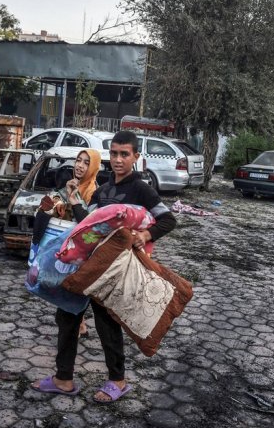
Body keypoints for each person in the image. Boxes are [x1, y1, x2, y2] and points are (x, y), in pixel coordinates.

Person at [32, 130, 177, 403]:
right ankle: (63, 379)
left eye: (125, 154)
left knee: (107, 323)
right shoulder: (104, 190)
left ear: (136, 156)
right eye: (114, 154)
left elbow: (168, 220)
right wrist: (75, 201)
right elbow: (88, 224)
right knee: (67, 315)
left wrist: (143, 236)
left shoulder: (140, 188)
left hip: (115, 270)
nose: (119, 159)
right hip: (89, 264)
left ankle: (117, 381)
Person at [30, 148, 102, 337]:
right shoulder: (69, 186)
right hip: (66, 247)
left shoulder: (97, 193)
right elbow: (46, 206)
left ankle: (74, 327)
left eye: (86, 162)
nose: (80, 165)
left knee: (75, 287)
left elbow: (90, 222)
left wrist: (74, 199)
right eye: (78, 160)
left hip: (85, 249)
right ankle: (78, 324)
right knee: (66, 285)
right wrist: (54, 202)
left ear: (94, 167)